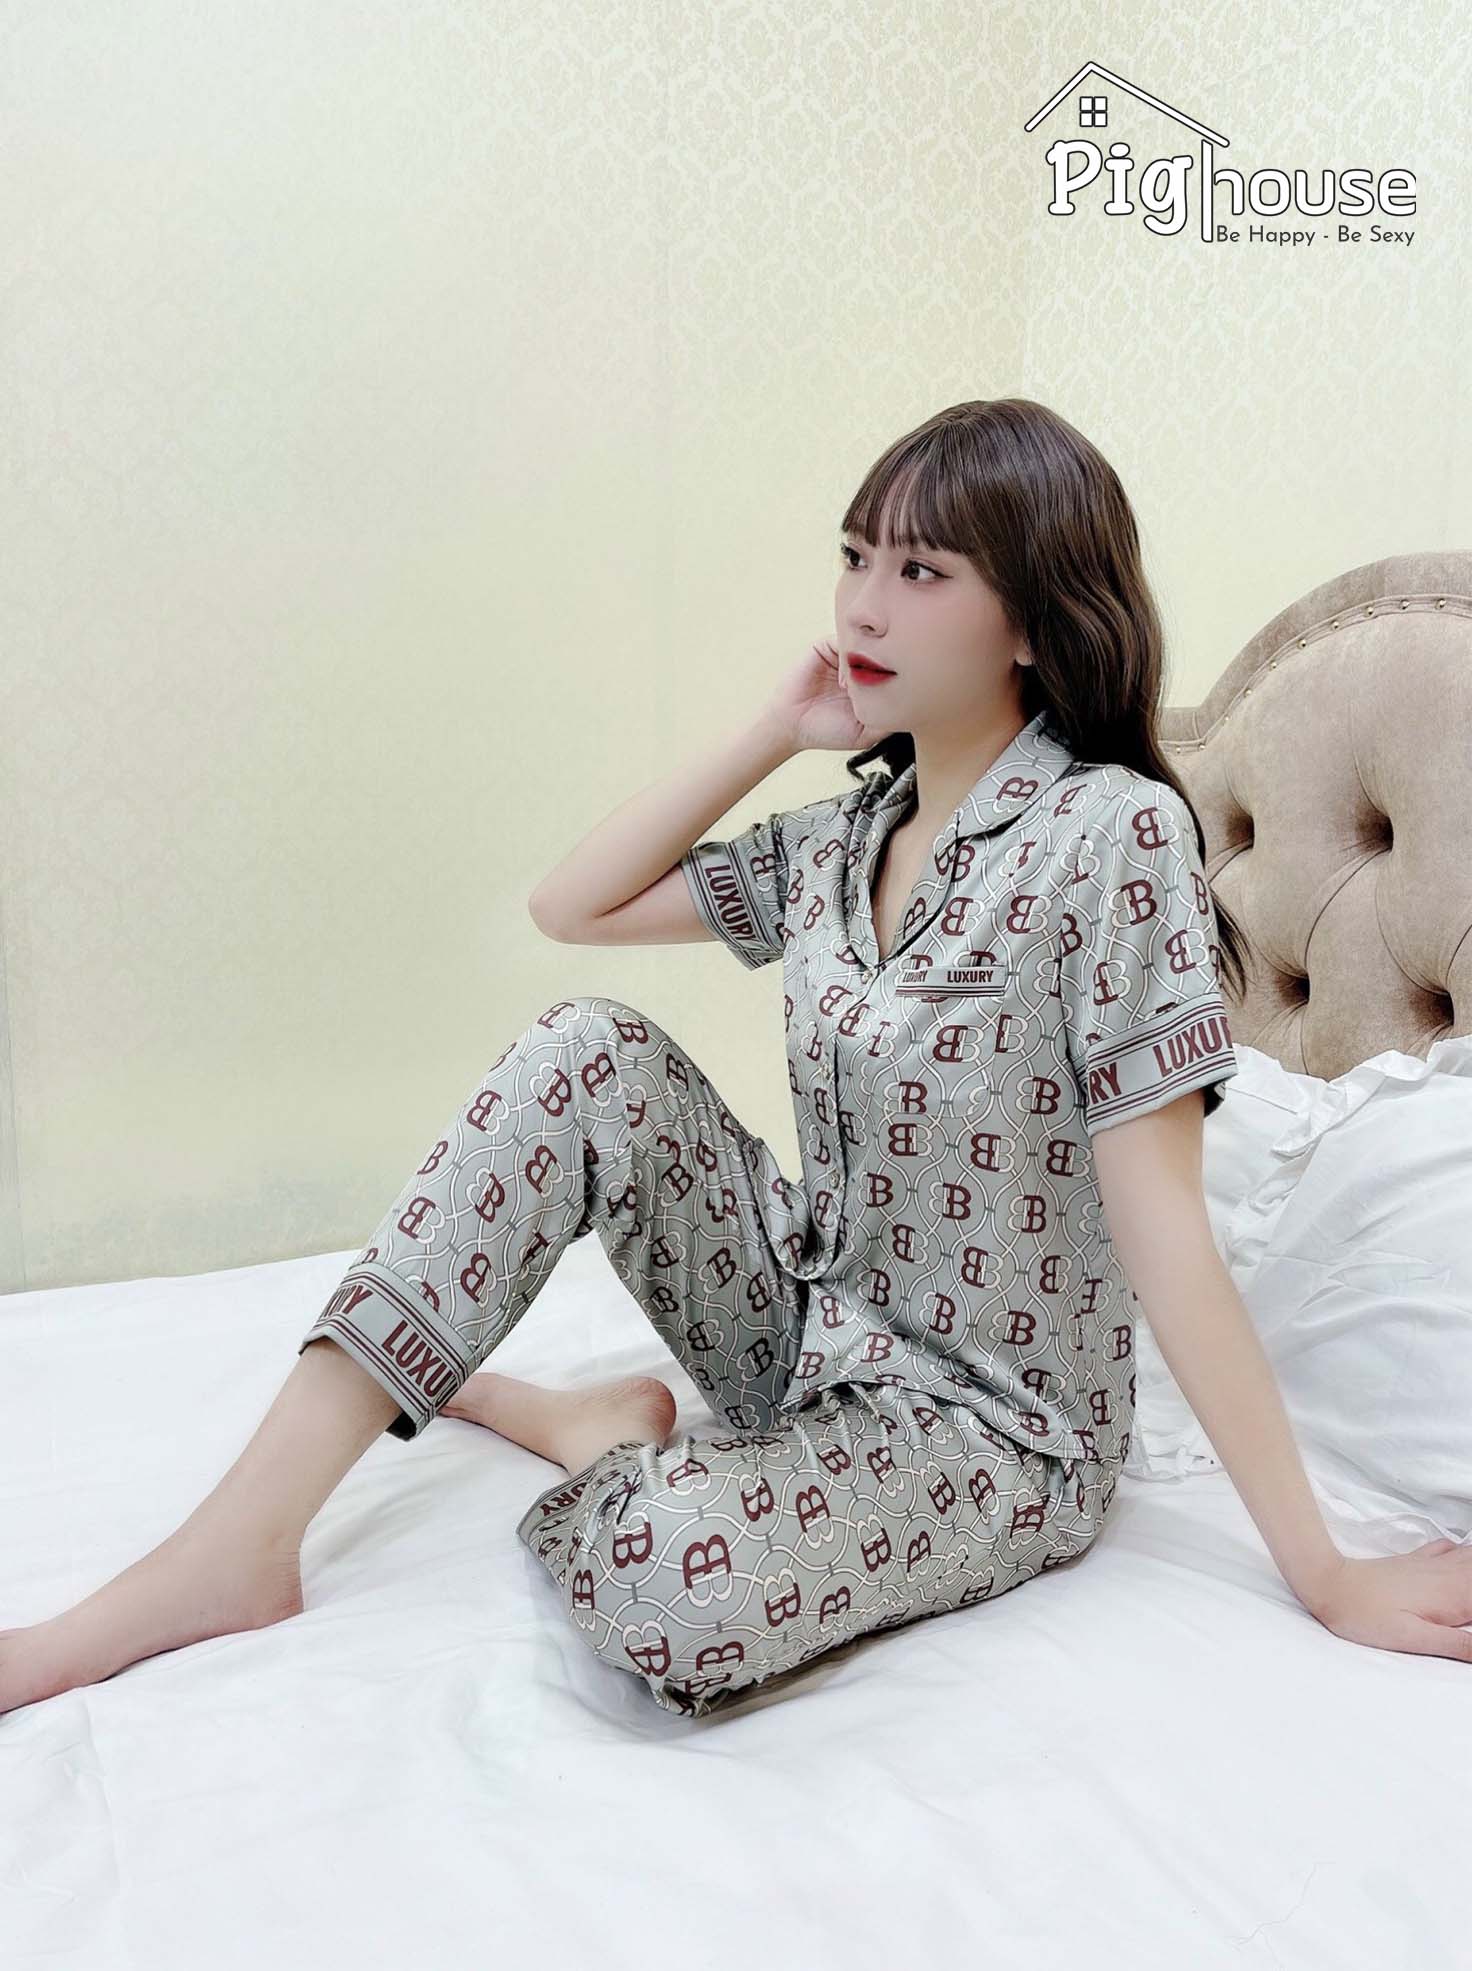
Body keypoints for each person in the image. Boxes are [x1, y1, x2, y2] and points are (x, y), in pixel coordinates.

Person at [6, 399, 1467, 1720]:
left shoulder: (1115, 836)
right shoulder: (844, 839)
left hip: (989, 1429)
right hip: (800, 1323)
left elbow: (1166, 1234)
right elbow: (571, 907)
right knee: (585, 1052)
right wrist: (778, 728)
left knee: (671, 1575)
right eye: (856, 558)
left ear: (1032, 620)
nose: (864, 604)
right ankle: (236, 1547)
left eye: (923, 571)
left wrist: (1325, 1569)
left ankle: (584, 1435)